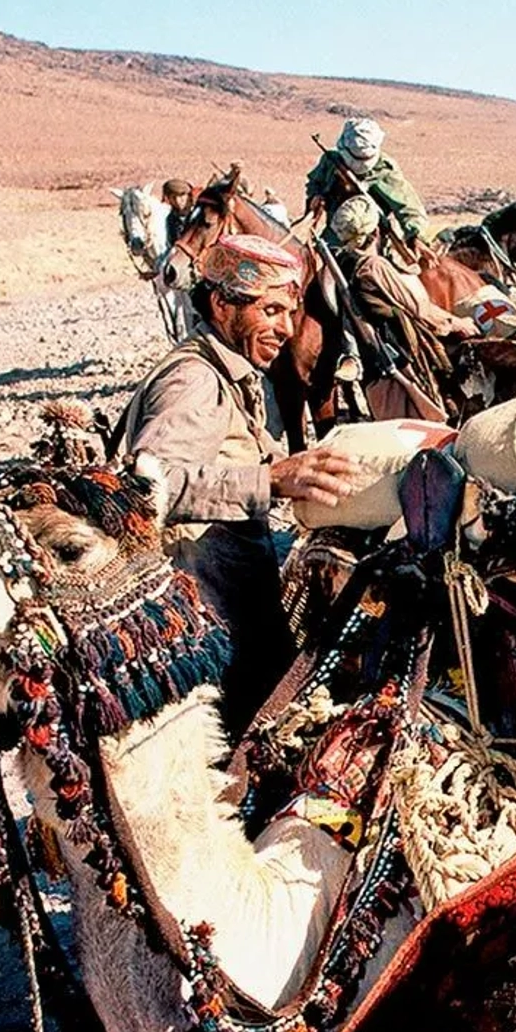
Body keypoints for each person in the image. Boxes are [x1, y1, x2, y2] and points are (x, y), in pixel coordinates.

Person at [120, 233, 359, 725]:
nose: (286, 329)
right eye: (270, 311)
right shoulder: (195, 380)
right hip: (212, 619)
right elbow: (147, 487)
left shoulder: (231, 373)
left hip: (234, 602)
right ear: (221, 304)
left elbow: (243, 452)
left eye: (290, 314)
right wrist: (270, 481)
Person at [325, 196, 473, 421]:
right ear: (375, 233)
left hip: (380, 363)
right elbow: (420, 310)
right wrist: (461, 323)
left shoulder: (345, 263)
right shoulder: (375, 266)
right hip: (403, 359)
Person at [304, 118, 431, 253]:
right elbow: (314, 183)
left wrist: (416, 236)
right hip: (333, 236)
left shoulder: (385, 170)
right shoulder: (330, 161)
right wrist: (316, 196)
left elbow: (409, 207)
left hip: (371, 244)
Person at [162, 179, 197, 247]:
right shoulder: (170, 220)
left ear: (189, 196)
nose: (178, 201)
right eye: (173, 197)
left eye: (181, 196)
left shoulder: (199, 215)